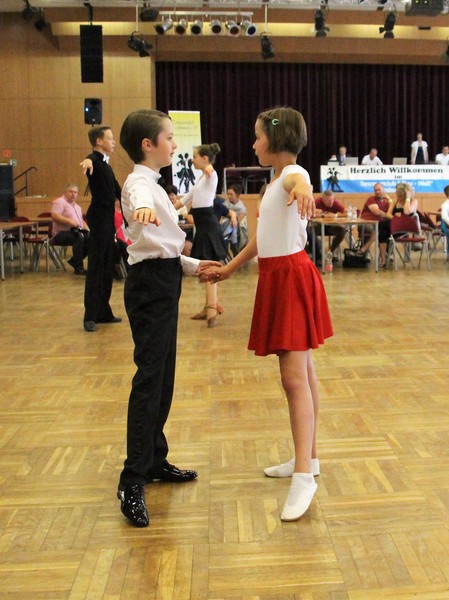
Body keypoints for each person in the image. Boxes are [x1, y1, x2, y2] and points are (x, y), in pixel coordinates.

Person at [201, 107, 333, 522]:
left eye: (258, 136)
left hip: (291, 278)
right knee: (304, 372)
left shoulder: (293, 174)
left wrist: (305, 189)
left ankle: (303, 476)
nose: (253, 143)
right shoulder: (273, 183)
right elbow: (262, 240)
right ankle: (308, 459)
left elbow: (300, 180)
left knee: (294, 379)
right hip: (278, 277)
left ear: (275, 140)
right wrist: (229, 269)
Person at [117, 109, 221, 528]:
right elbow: (139, 202)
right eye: (169, 137)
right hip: (150, 288)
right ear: (148, 144)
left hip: (162, 281)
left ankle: (154, 459)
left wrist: (194, 266)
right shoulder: (139, 183)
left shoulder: (153, 183)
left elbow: (161, 248)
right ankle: (132, 479)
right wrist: (142, 210)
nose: (175, 144)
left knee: (163, 377)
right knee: (150, 379)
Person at [174, 143, 228, 327]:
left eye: (195, 156)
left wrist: (209, 168)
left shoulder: (210, 175)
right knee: (207, 266)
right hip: (203, 225)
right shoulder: (200, 180)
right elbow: (185, 199)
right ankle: (207, 308)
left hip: (208, 225)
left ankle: (212, 309)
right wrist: (167, 210)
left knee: (209, 268)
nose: (192, 160)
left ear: (205, 159)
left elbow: (211, 172)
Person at [80, 125, 122, 333]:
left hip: (107, 220)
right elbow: (91, 159)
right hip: (98, 220)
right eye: (110, 138)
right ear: (99, 141)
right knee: (96, 266)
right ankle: (90, 315)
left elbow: (118, 191)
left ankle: (103, 311)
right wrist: (88, 159)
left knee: (107, 266)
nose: (113, 142)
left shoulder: (107, 165)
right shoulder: (95, 162)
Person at [50, 183, 89, 275]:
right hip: (60, 233)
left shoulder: (77, 207)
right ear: (65, 192)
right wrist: (69, 221)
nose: (73, 194)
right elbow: (55, 216)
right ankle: (79, 268)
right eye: (71, 192)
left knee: (90, 238)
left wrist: (88, 229)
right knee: (78, 237)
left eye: (75, 192)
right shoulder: (59, 202)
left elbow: (81, 221)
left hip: (75, 231)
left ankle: (74, 261)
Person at [357, 182, 393, 268]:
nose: (377, 192)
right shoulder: (371, 199)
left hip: (380, 224)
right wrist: (388, 215)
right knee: (377, 230)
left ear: (384, 190)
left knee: (384, 231)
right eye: (375, 190)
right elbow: (377, 212)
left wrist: (389, 198)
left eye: (379, 190)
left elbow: (393, 207)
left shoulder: (387, 201)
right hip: (366, 223)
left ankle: (383, 256)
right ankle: (368, 250)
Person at [313, 190, 347, 260]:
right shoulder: (317, 202)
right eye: (329, 200)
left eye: (332, 200)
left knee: (342, 230)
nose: (331, 202)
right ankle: (317, 254)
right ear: (323, 200)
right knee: (309, 232)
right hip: (319, 226)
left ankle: (331, 251)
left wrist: (335, 215)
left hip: (331, 226)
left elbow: (346, 212)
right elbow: (311, 212)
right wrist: (324, 215)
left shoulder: (335, 203)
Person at [165, 184, 194, 256]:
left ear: (176, 195)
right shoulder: (165, 205)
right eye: (168, 195)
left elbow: (185, 216)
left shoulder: (181, 205)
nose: (170, 197)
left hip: (182, 230)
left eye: (172, 195)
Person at [224, 183, 248, 255]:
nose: (229, 196)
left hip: (238, 231)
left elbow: (241, 221)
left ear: (237, 195)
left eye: (231, 194)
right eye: (228, 194)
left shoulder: (241, 208)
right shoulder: (224, 205)